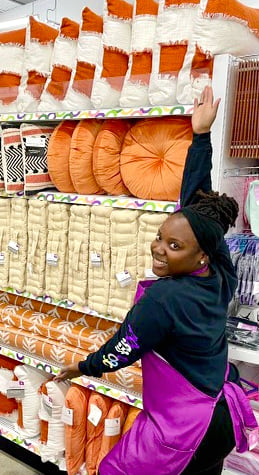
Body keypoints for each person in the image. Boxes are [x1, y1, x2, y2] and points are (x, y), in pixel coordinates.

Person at [55, 86, 258, 475]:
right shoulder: (220, 273)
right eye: (161, 237)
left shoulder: (162, 301)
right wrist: (200, 137)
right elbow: (196, 209)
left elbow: (122, 350)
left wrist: (82, 367)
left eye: (173, 245)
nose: (159, 249)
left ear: (200, 253)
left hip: (187, 426)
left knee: (116, 470)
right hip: (222, 414)